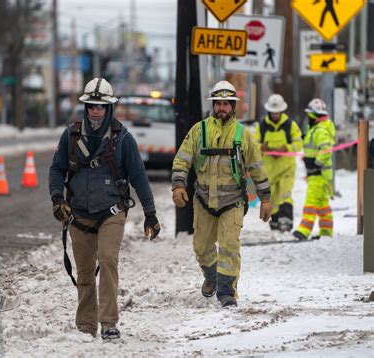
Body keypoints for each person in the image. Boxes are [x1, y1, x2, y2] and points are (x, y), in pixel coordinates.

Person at [49, 77, 160, 340]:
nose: (95, 111)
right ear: (85, 107)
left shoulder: (123, 140)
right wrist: (57, 198)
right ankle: (86, 326)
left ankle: (109, 322)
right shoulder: (71, 136)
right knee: (85, 272)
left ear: (109, 108)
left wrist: (151, 213)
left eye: (100, 106)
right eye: (91, 106)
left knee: (108, 261)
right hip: (78, 215)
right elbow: (56, 169)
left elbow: (139, 178)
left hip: (111, 211)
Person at [171, 80, 272, 307]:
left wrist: (265, 198)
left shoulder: (243, 135)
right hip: (204, 201)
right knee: (202, 248)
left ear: (233, 106)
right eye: (219, 103)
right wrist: (178, 185)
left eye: (227, 104)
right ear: (213, 105)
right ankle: (212, 277)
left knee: (229, 247)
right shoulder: (199, 131)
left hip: (233, 202)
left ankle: (227, 293)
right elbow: (182, 160)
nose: (222, 108)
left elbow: (257, 167)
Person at [255, 94, 303, 232]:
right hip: (269, 171)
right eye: (273, 112)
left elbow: (299, 143)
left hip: (286, 168)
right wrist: (261, 147)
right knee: (273, 199)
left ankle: (286, 222)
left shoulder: (290, 125)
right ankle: (275, 224)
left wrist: (286, 148)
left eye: (277, 112)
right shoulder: (262, 126)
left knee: (285, 194)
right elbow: (254, 143)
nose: (275, 114)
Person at [293, 98, 335, 240]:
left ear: (315, 115)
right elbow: (314, 146)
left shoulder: (320, 130)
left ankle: (304, 230)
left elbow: (325, 150)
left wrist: (316, 163)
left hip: (318, 173)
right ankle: (326, 231)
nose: (308, 117)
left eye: (310, 114)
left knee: (310, 203)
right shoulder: (316, 129)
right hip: (317, 174)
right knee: (323, 204)